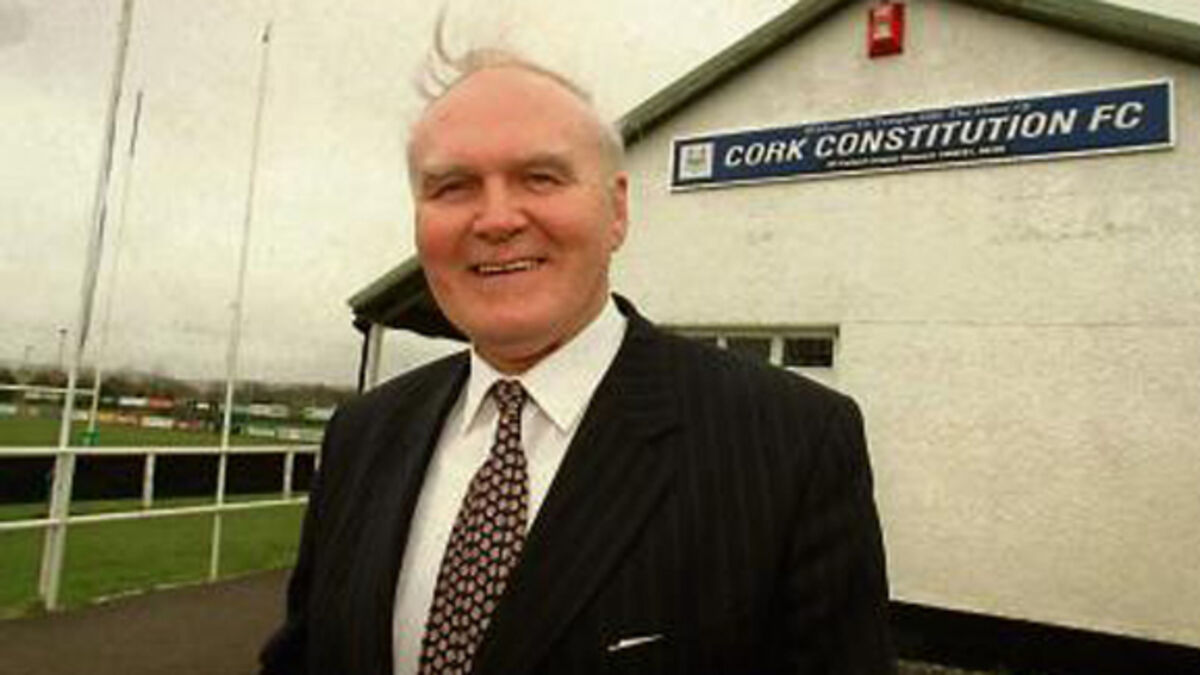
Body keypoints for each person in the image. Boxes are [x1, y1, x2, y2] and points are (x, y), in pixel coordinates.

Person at [260, 47, 895, 675]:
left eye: (540, 178)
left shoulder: (791, 443)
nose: (496, 219)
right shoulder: (362, 435)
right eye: (453, 187)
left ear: (617, 210)